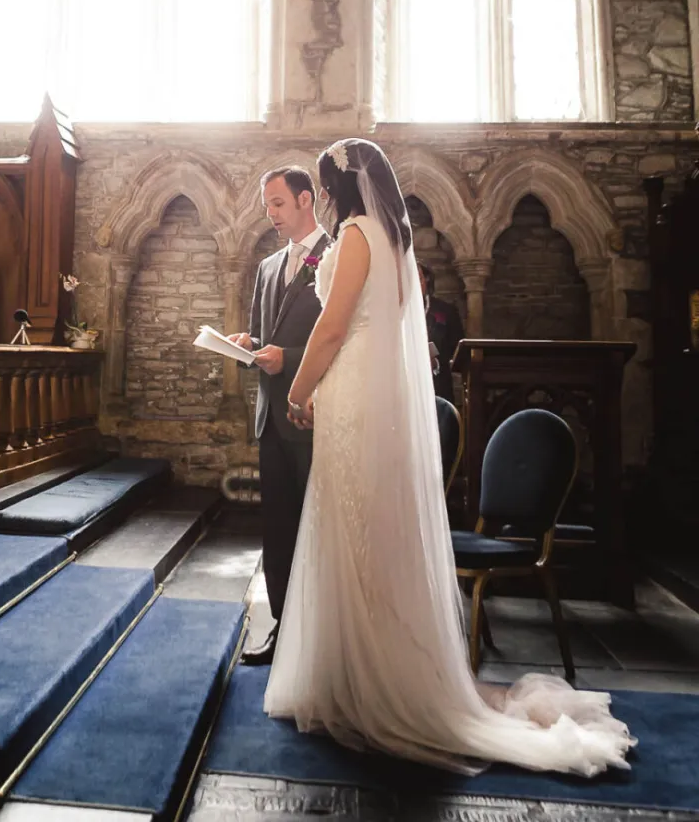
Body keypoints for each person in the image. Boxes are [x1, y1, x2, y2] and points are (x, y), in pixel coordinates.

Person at [263, 137, 633, 776]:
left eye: (324, 187)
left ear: (342, 188)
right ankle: (357, 669)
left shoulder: (354, 235)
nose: (322, 198)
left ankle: (363, 682)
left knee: (353, 532)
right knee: (367, 532)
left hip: (351, 393)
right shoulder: (397, 245)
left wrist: (300, 389)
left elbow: (333, 326)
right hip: (368, 392)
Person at [228, 166, 329, 666]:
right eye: (267, 205)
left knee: (318, 528)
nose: (271, 214)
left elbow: (341, 340)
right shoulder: (268, 267)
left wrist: (285, 358)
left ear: (306, 199)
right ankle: (281, 626)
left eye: (278, 203)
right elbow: (258, 330)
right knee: (278, 527)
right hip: (271, 414)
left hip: (315, 417)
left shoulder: (337, 256)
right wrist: (245, 344)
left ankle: (319, 634)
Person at [418, 261, 465, 404]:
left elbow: (458, 354)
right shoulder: (392, 313)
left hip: (438, 391)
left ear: (426, 281)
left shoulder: (446, 311)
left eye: (418, 279)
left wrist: (436, 362)